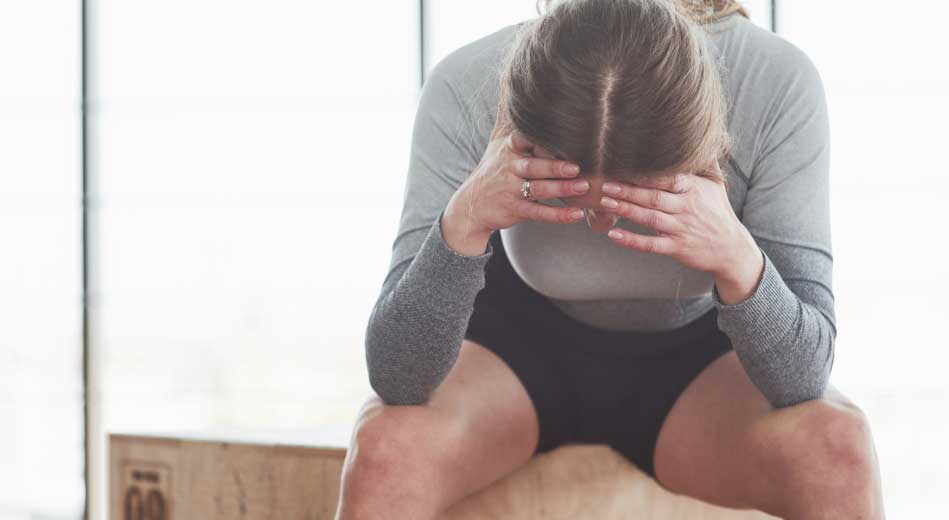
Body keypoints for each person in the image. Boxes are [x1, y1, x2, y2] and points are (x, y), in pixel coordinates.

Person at [336, 1, 885, 518]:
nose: (600, 226)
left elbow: (804, 380)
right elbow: (397, 378)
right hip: (510, 354)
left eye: (636, 197)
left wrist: (737, 255)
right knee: (384, 450)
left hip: (700, 364)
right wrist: (464, 221)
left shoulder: (772, 82)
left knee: (841, 450)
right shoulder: (467, 84)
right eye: (570, 194)